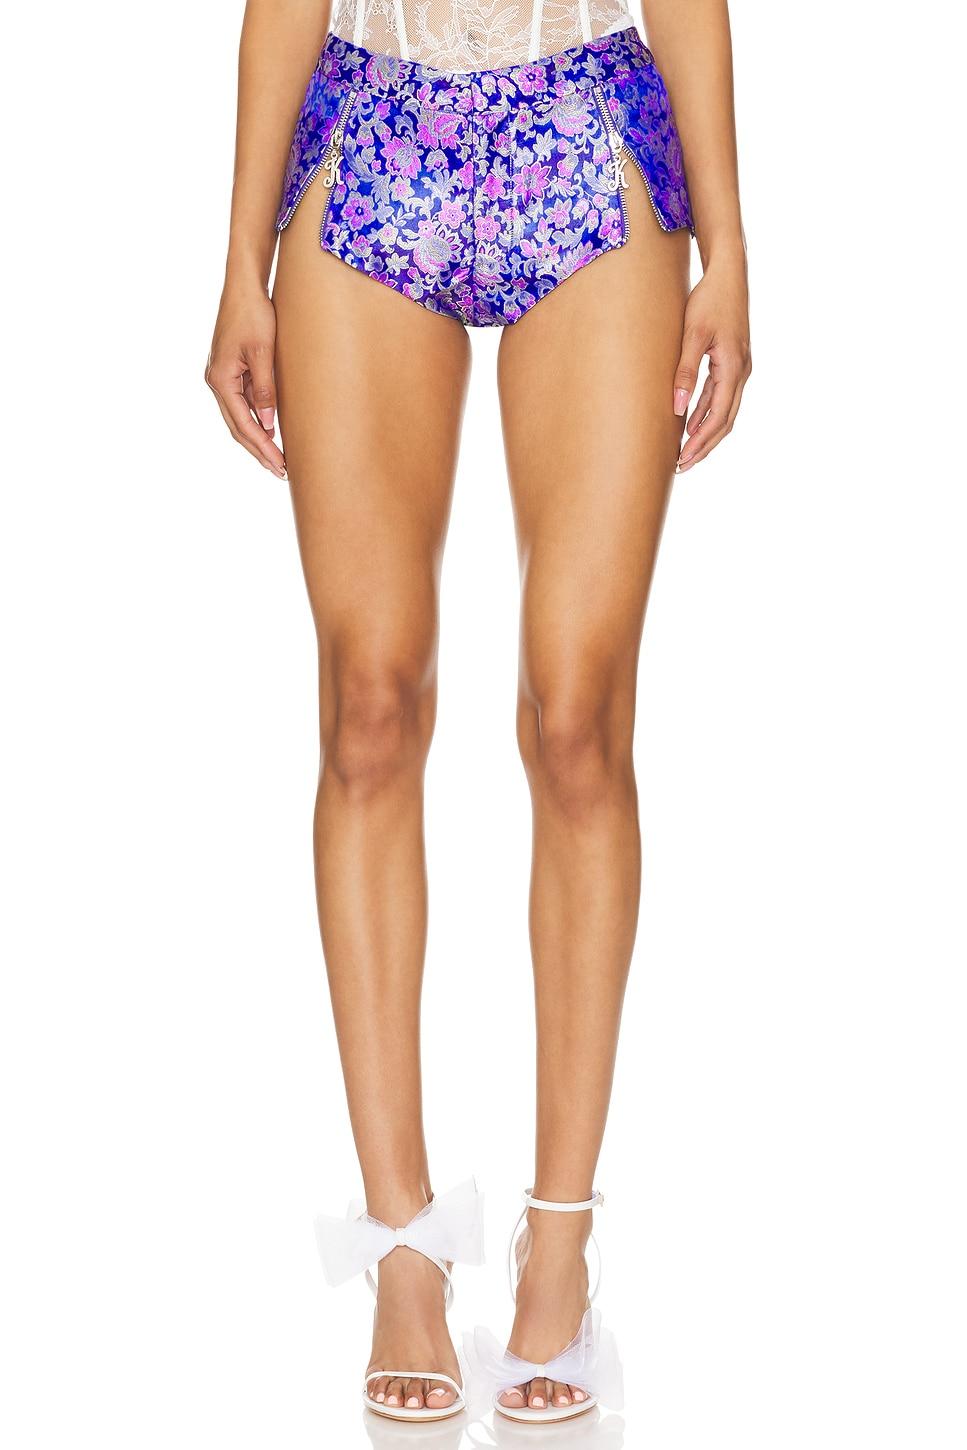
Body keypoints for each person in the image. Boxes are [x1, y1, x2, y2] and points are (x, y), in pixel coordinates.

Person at [206, 0, 750, 1423]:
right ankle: (402, 1246)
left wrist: (732, 248)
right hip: (369, 134)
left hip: (590, 137)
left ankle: (559, 1242)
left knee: (578, 715)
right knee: (368, 703)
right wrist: (239, 261)